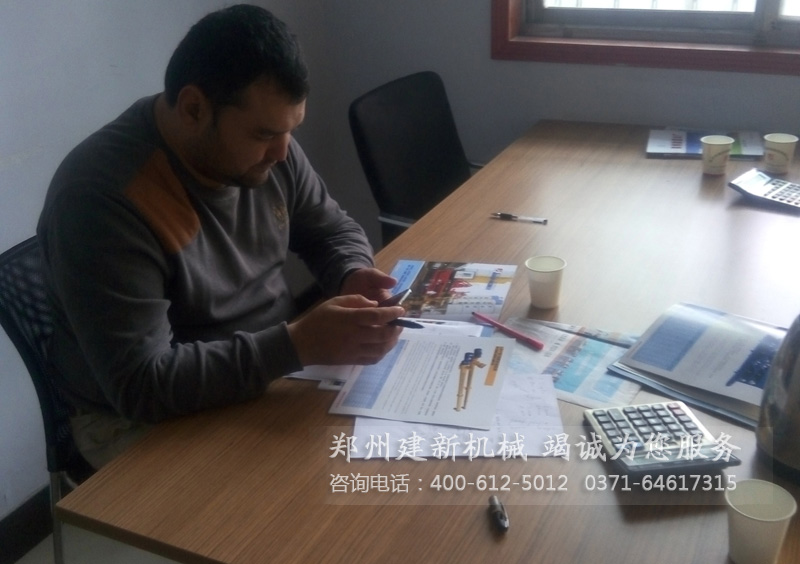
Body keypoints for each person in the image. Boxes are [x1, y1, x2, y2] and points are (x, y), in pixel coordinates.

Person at [37, 5, 405, 469]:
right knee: (307, 493)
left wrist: (352, 272)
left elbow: (330, 229)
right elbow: (143, 384)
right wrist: (296, 346)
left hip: (271, 365)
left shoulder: (270, 148)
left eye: (291, 129)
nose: (283, 152)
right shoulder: (103, 199)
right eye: (264, 134)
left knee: (382, 468)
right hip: (138, 418)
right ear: (194, 109)